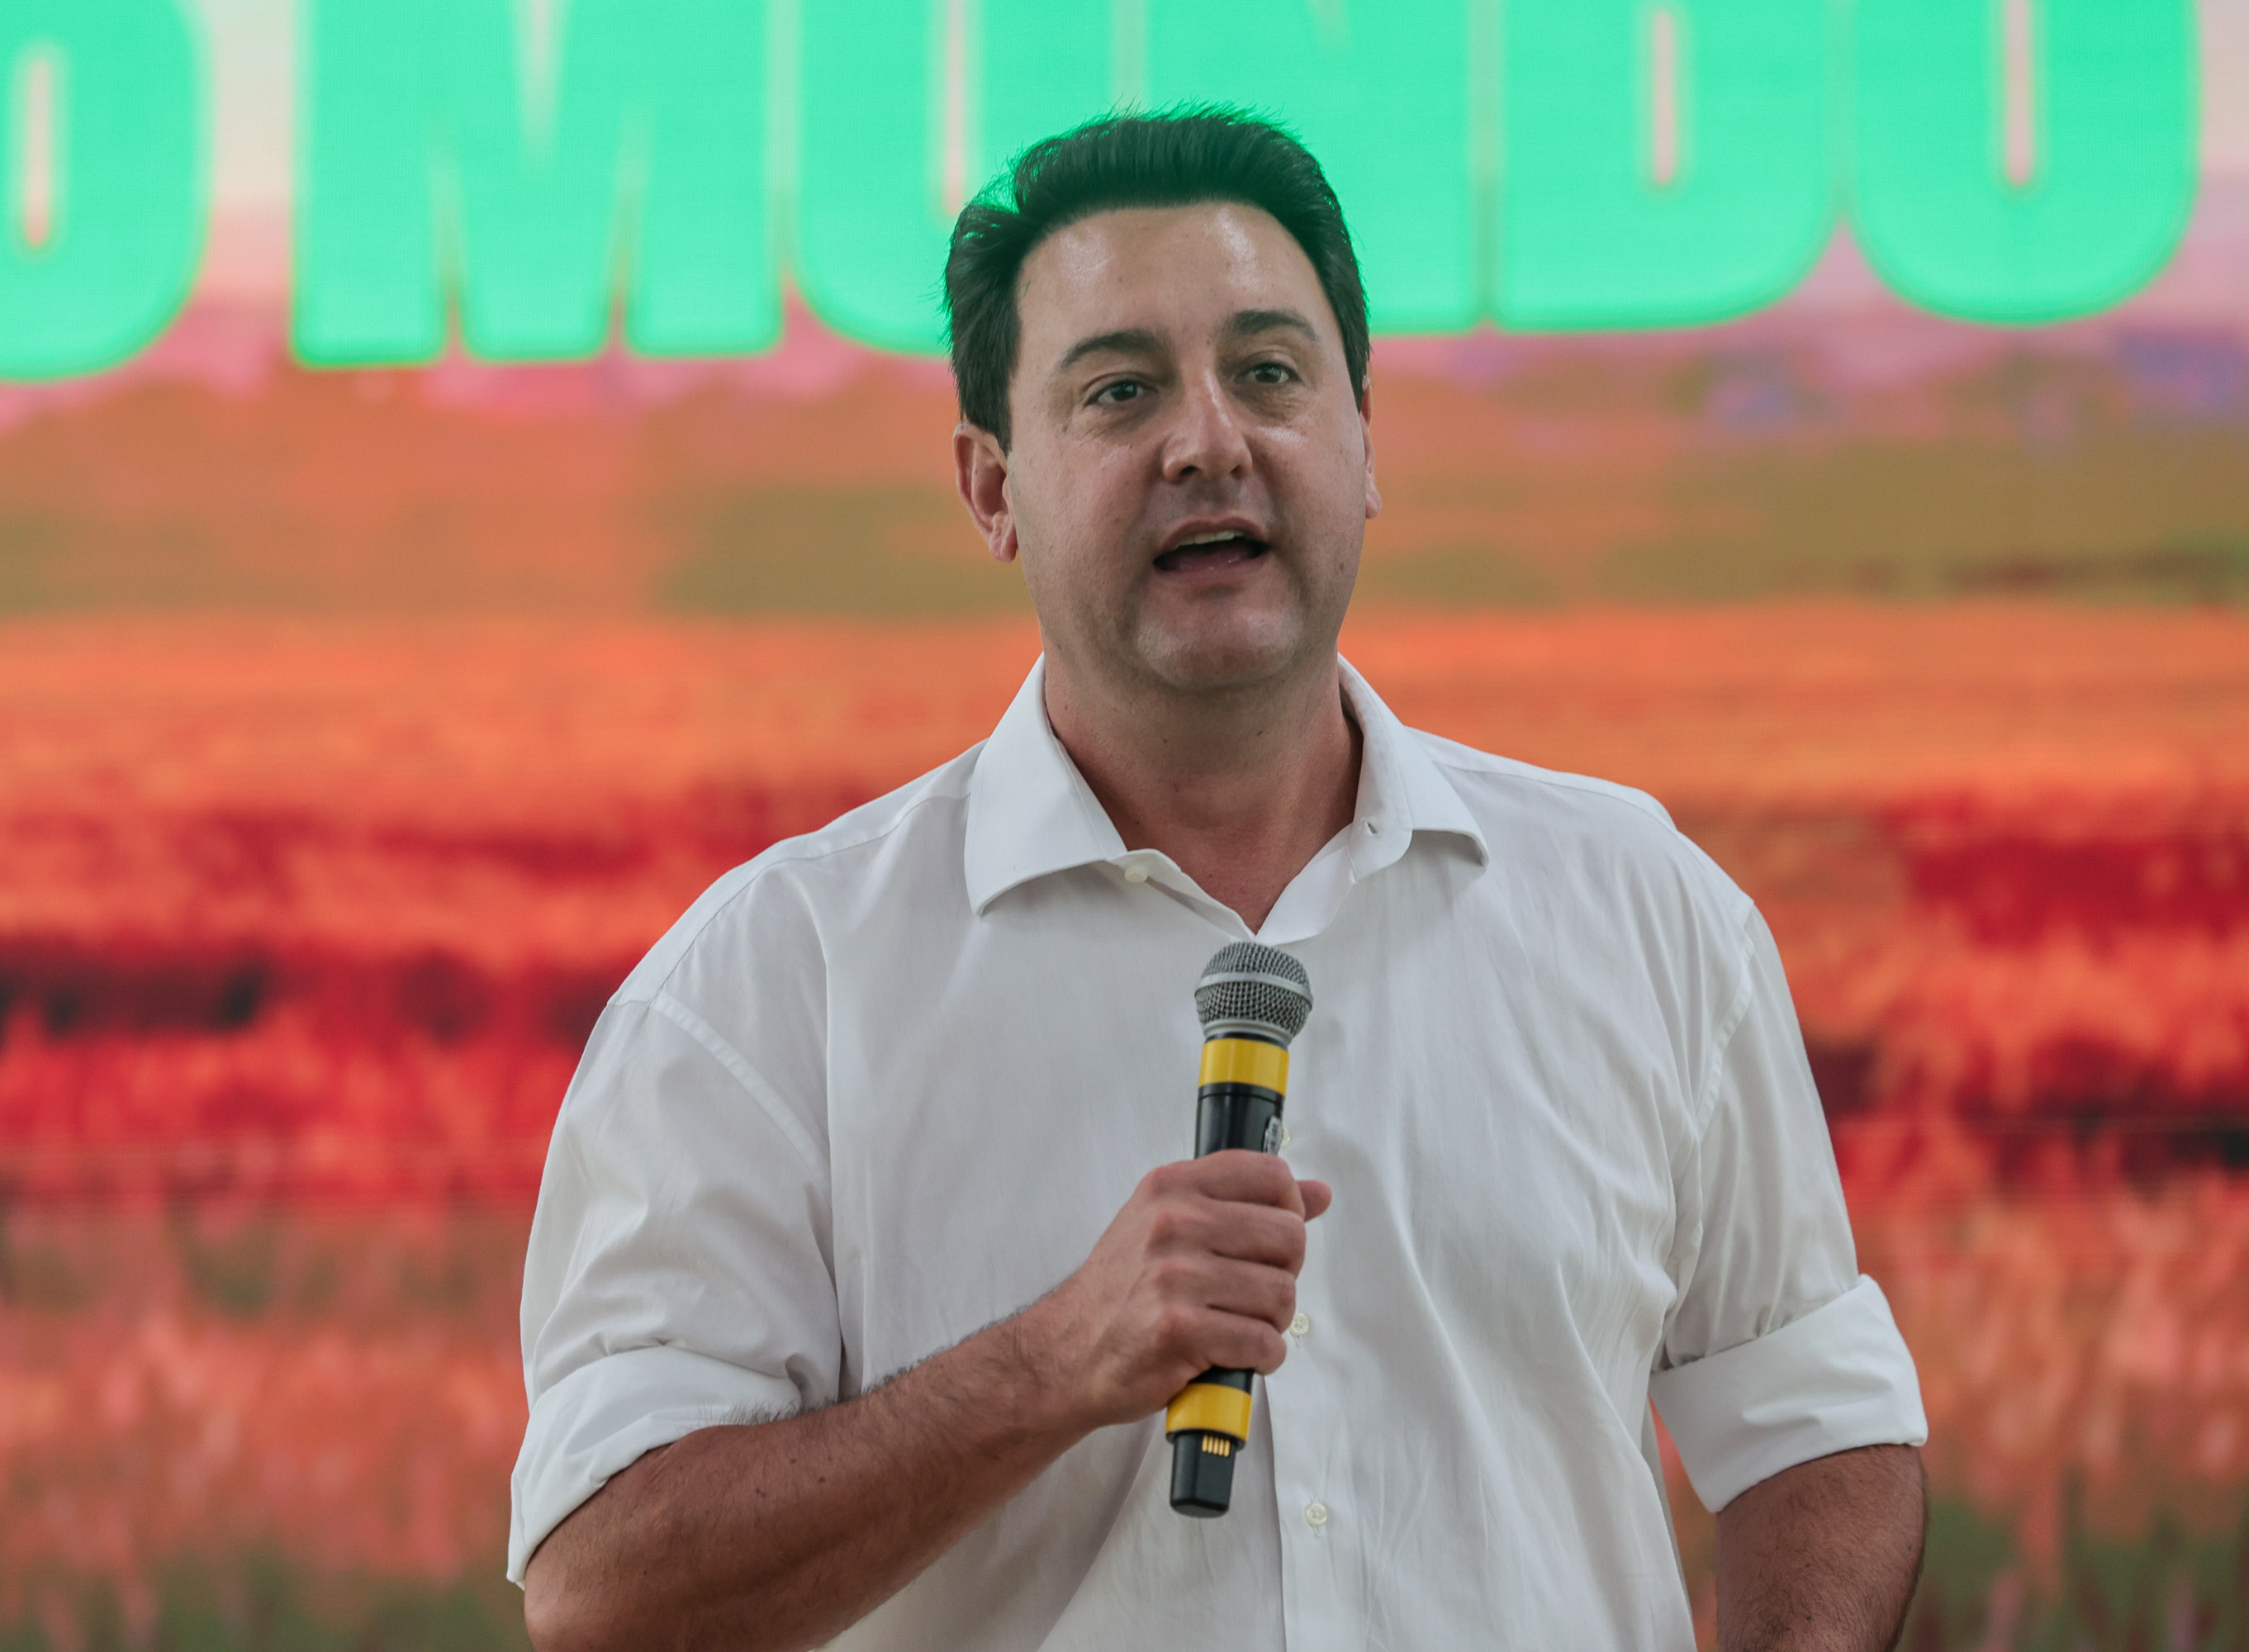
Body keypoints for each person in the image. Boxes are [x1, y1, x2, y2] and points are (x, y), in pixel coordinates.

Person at [509, 109, 1929, 1650]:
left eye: (1268, 373)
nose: (1209, 442)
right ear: (991, 489)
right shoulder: (772, 985)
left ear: (1365, 442)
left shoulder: (1641, 909)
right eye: (1120, 391)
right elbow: (604, 1593)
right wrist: (1053, 1363)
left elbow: (1816, 1425)